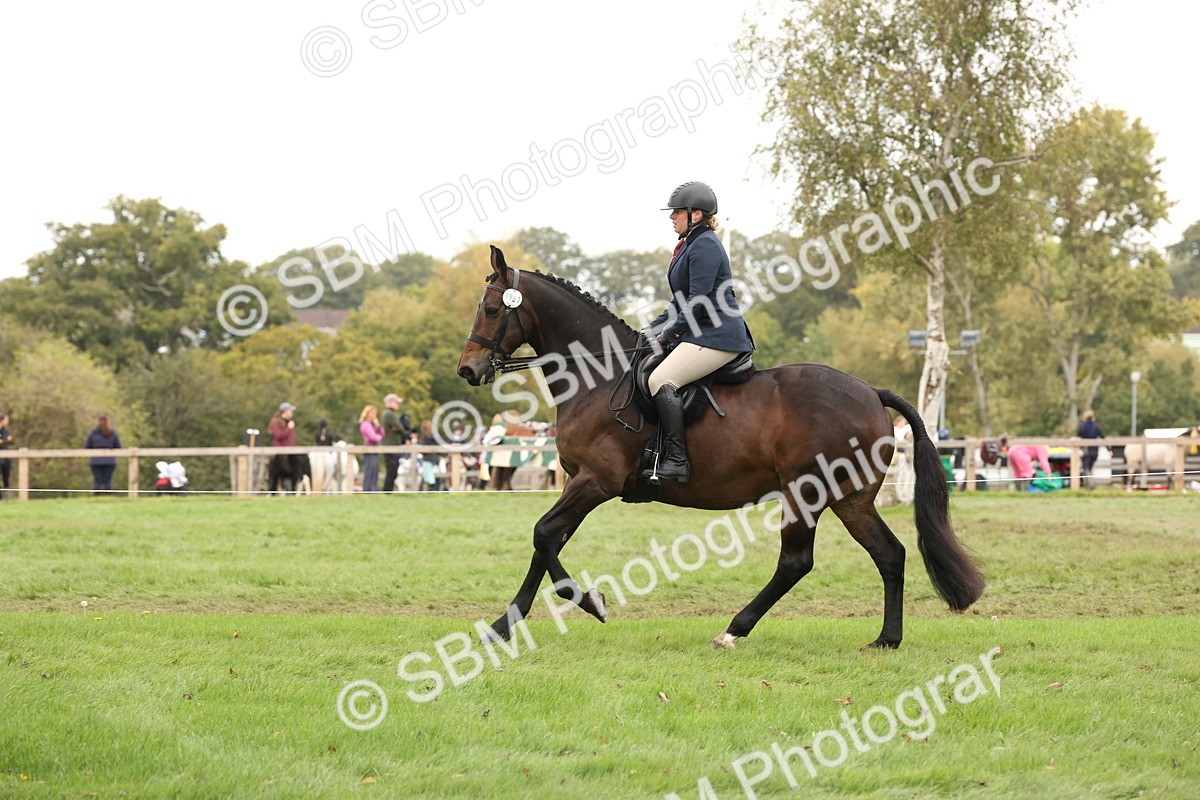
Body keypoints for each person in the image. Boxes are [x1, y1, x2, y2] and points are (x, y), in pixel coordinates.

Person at [640, 181, 755, 483]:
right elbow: (678, 303)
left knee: (660, 379)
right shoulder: (690, 244)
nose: (671, 216)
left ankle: (677, 461)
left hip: (717, 336)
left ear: (696, 214)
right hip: (701, 333)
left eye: (677, 211)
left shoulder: (704, 245)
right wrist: (648, 331)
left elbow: (698, 302)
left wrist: (668, 335)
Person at [84, 415, 122, 495]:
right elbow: (118, 447)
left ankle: (97, 496)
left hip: (96, 461)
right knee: (107, 480)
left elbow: (87, 446)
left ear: (98, 422)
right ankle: (108, 496)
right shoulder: (112, 433)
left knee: (97, 479)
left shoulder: (93, 433)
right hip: (110, 461)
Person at [380, 393, 411, 492]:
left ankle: (388, 491)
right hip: (390, 445)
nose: (398, 404)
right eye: (397, 402)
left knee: (393, 470)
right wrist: (399, 427)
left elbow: (398, 428)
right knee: (392, 470)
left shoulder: (390, 414)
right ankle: (387, 491)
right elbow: (401, 428)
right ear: (390, 403)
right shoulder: (389, 414)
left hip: (393, 445)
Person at [359, 404, 384, 492]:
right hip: (369, 450)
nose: (374, 415)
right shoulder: (365, 424)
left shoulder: (373, 425)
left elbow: (382, 434)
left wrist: (378, 426)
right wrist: (379, 437)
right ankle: (367, 490)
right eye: (372, 413)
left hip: (375, 450)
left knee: (375, 472)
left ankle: (373, 490)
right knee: (369, 472)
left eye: (375, 413)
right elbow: (373, 437)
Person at [1078, 410, 1104, 487]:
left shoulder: (1082, 426)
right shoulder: (1097, 426)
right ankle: (1088, 484)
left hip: (1086, 450)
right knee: (1089, 467)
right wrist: (1109, 449)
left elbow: (1079, 436)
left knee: (1086, 467)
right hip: (1095, 450)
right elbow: (1103, 437)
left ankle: (1090, 484)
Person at [0, 412, 13, 499]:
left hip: (6, 456)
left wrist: (5, 440)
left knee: (6, 476)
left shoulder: (6, 430)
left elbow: (11, 440)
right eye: (6, 419)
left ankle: (6, 495)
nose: (7, 421)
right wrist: (6, 440)